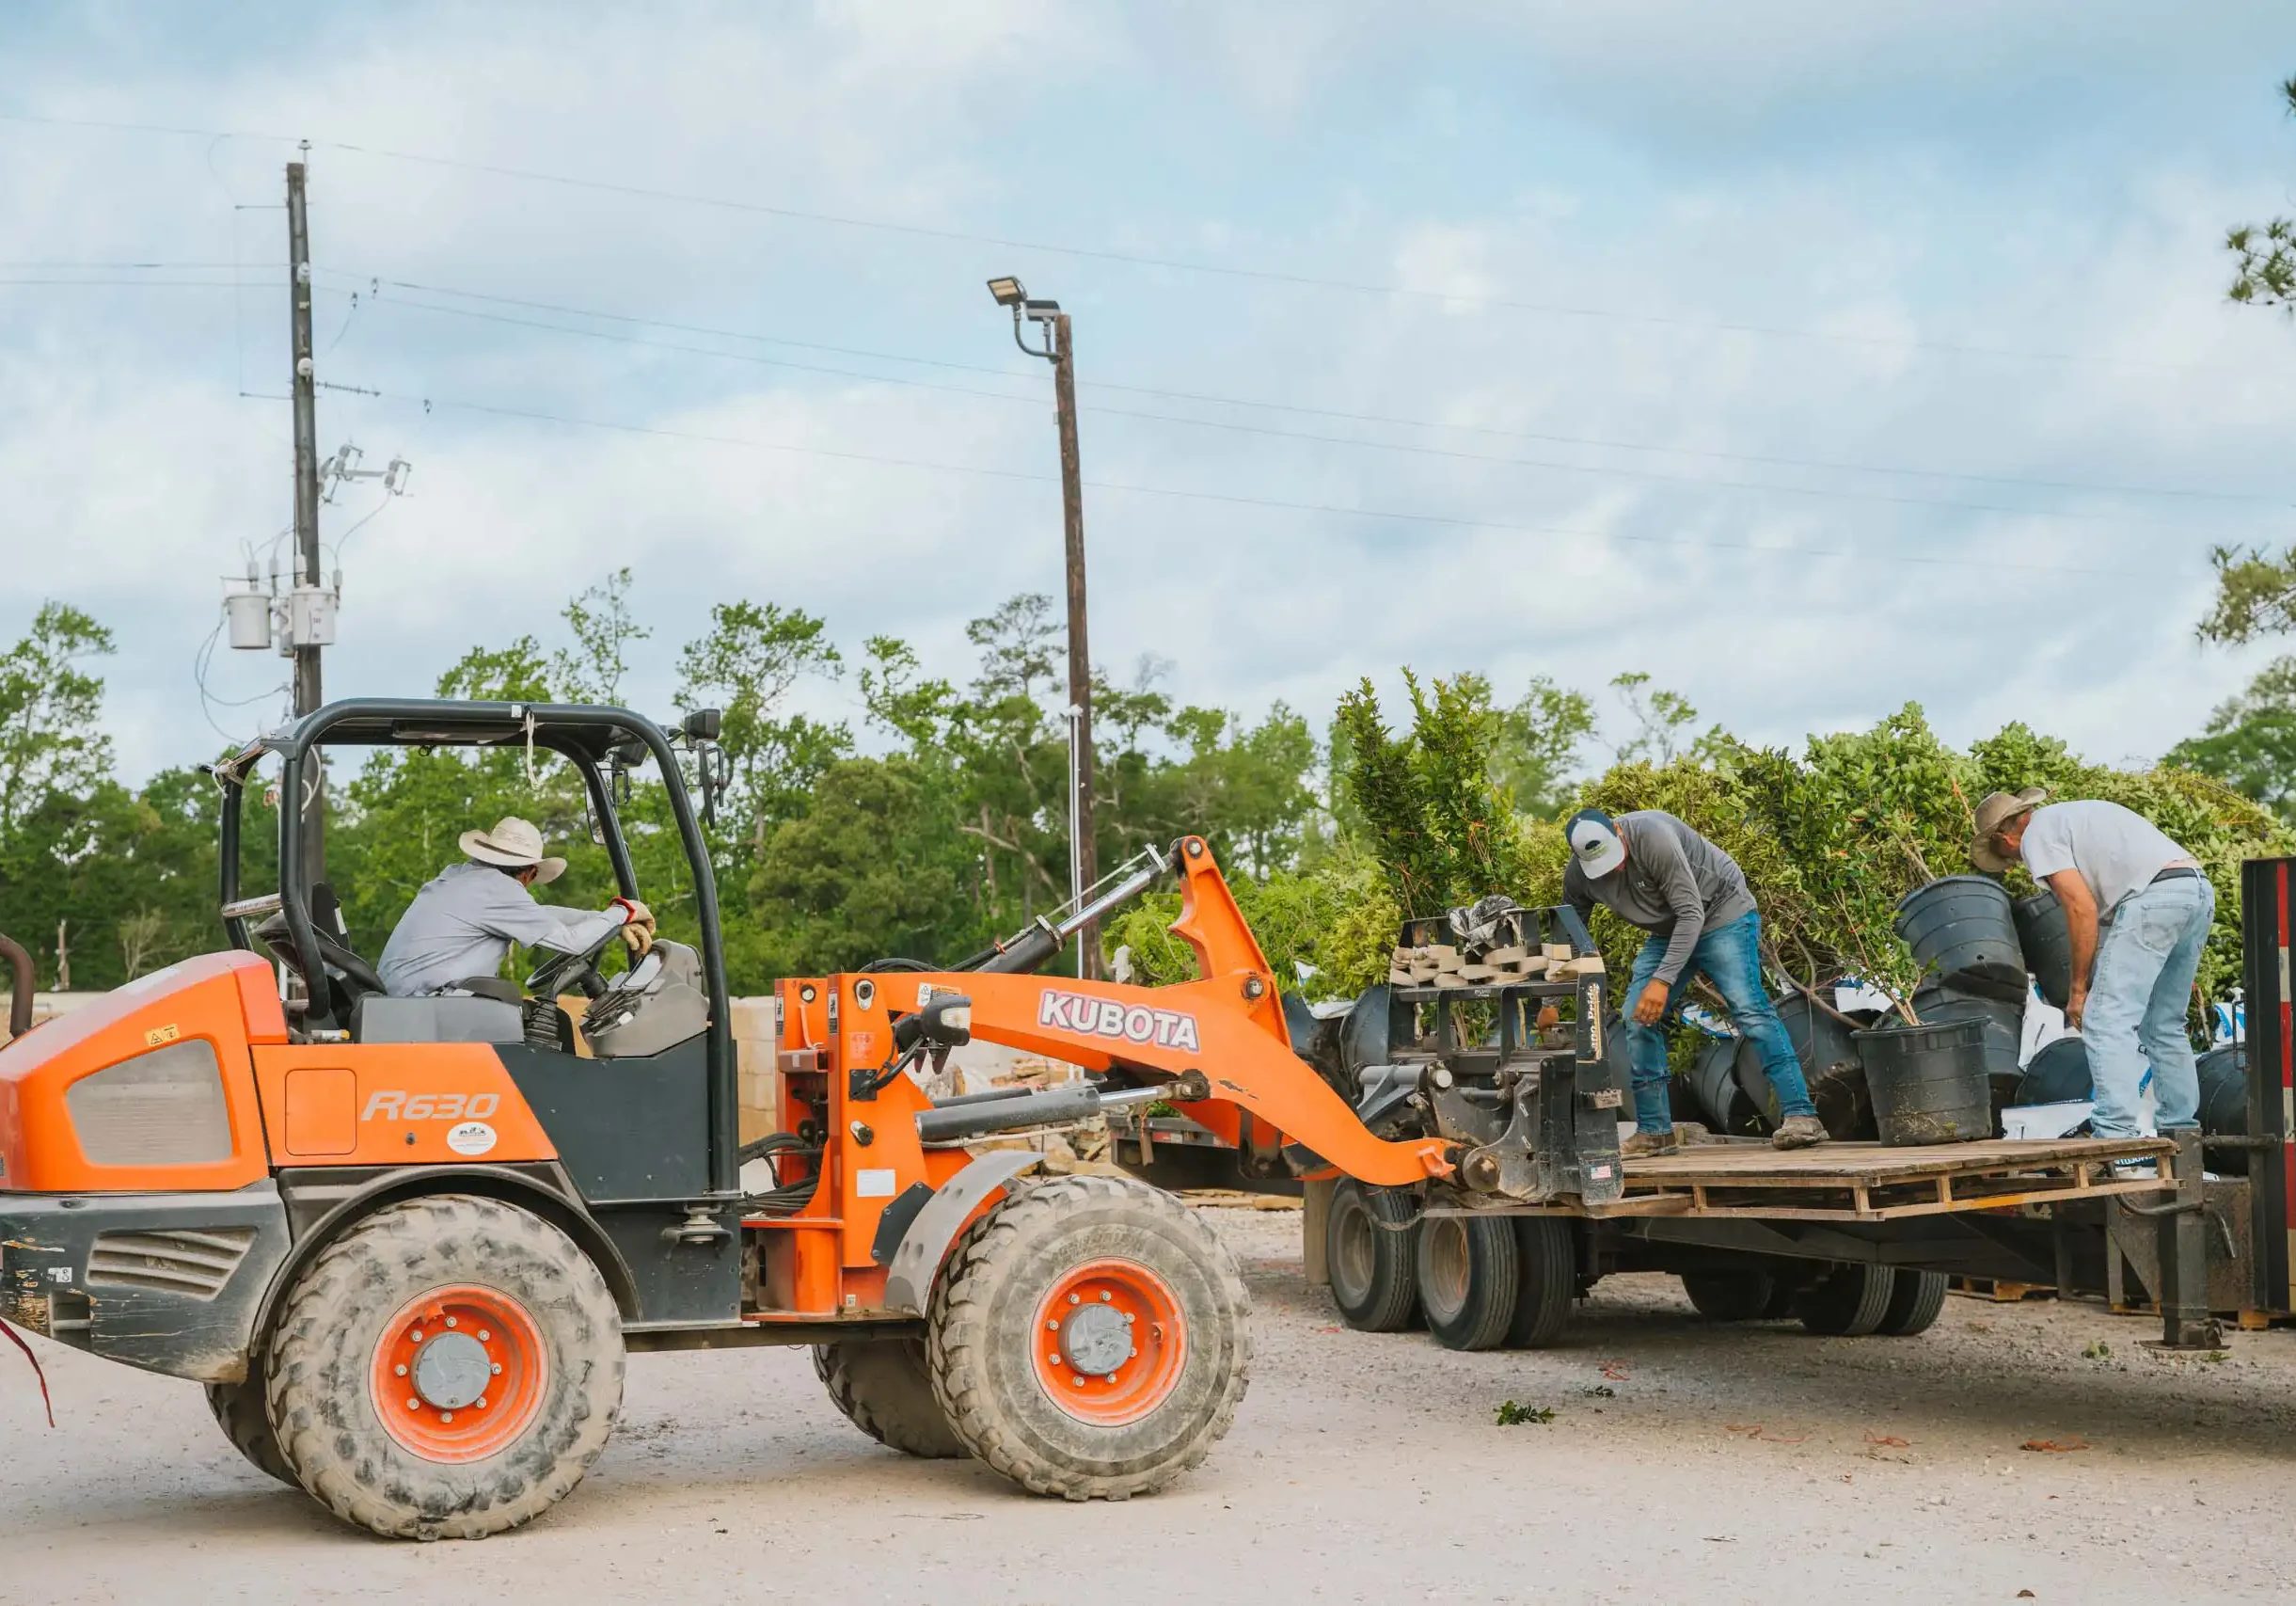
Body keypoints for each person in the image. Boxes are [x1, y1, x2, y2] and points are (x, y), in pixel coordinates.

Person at [1563, 808, 1827, 1154]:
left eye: (1613, 856)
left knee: (1749, 1009)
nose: (1614, 869)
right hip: (1670, 929)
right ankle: (1655, 1131)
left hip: (1721, 912)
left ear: (1617, 830)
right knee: (1636, 1017)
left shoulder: (1653, 837)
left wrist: (1662, 980)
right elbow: (1570, 936)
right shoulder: (1579, 876)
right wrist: (1549, 1004)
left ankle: (1802, 1117)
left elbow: (1691, 913)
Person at [1969, 788, 2210, 1141]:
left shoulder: (2036, 835)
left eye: (2004, 856)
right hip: (2195, 889)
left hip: (2153, 899)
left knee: (2105, 1018)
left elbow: (2081, 909)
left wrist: (2079, 991)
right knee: (2163, 1023)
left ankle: (2114, 1134)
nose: (2013, 863)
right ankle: (2182, 1132)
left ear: (2004, 838)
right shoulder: (2073, 817)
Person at [378, 815, 657, 998]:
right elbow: (572, 942)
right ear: (530, 874)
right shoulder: (498, 889)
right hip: (424, 1006)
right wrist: (624, 911)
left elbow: (541, 915)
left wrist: (607, 920)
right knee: (510, 1008)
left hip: (403, 1003)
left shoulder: (463, 878)